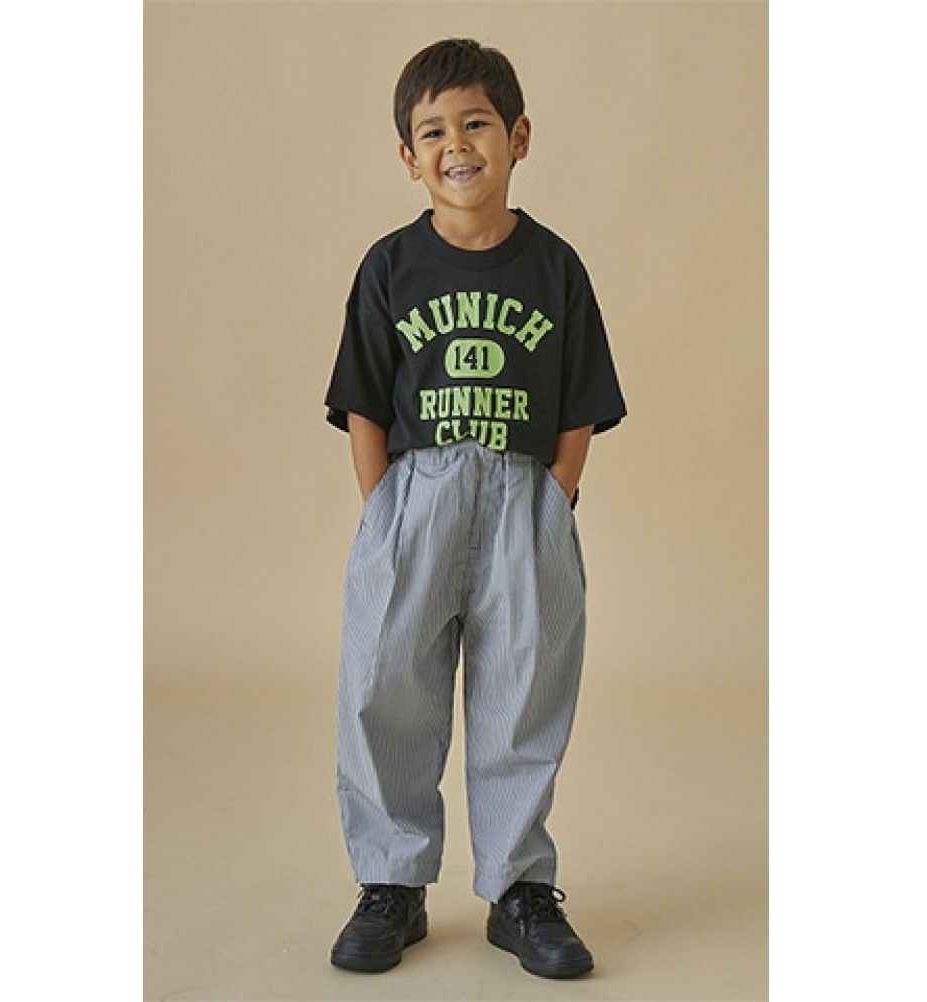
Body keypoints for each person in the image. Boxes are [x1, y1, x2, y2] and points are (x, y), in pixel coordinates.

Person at [322, 37, 627, 980]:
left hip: (523, 496)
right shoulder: (390, 266)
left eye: (476, 124)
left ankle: (519, 888)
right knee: (387, 686)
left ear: (518, 137)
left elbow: (581, 397)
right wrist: (385, 508)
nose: (456, 144)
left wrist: (556, 495)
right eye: (433, 133)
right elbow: (364, 399)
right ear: (409, 157)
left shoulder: (555, 267)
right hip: (416, 493)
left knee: (523, 690)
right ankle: (392, 880)